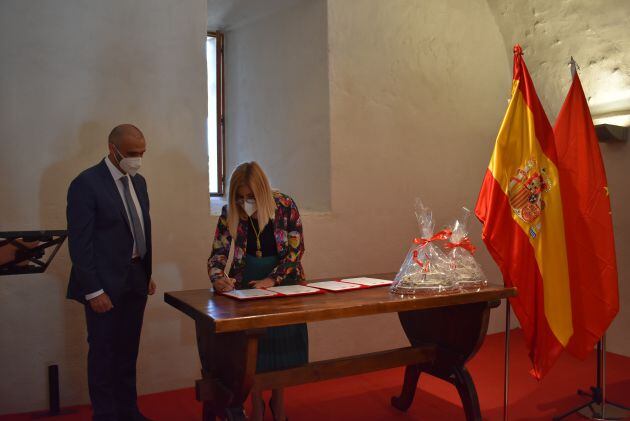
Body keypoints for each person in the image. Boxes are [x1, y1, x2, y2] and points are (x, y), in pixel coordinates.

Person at [66, 124, 156, 421]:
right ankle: (105, 415)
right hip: (103, 285)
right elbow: (81, 244)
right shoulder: (86, 184)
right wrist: (93, 290)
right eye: (131, 154)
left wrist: (145, 271)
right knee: (103, 354)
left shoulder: (139, 182)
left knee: (128, 352)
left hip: (135, 278)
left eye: (141, 153)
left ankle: (129, 412)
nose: (137, 159)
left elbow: (137, 230)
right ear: (112, 148)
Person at [208, 161, 307, 421]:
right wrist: (218, 277)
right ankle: (256, 405)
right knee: (253, 350)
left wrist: (273, 280)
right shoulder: (231, 211)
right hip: (247, 281)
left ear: (262, 192)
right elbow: (219, 252)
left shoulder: (285, 205)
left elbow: (296, 252)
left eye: (250, 197)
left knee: (281, 345)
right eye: (240, 197)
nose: (245, 203)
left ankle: (278, 401)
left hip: (283, 279)